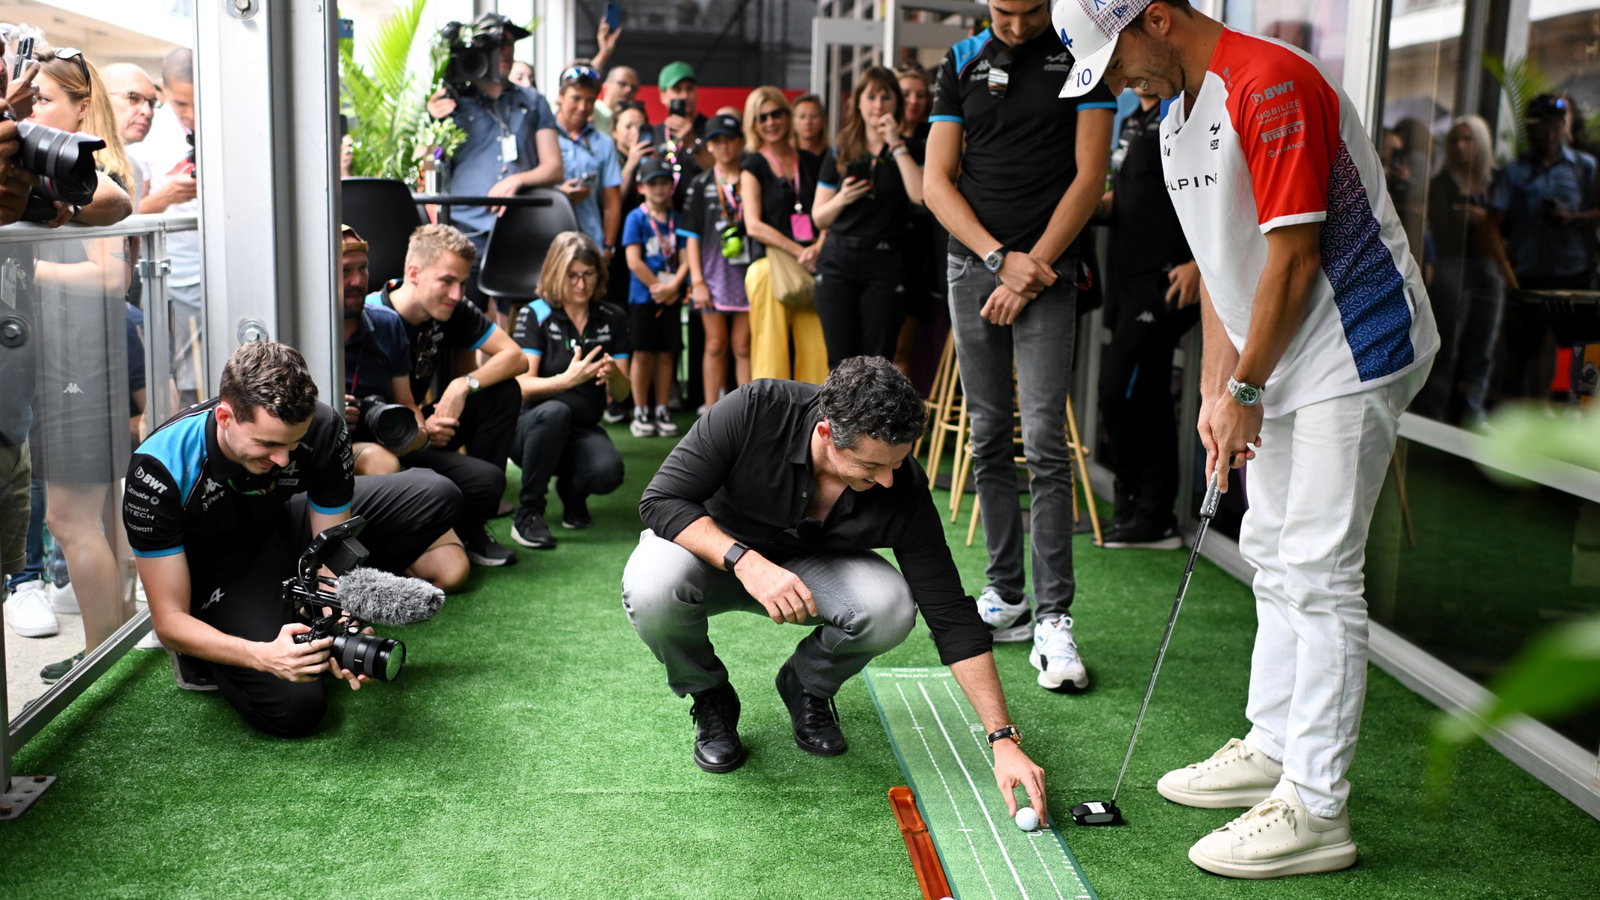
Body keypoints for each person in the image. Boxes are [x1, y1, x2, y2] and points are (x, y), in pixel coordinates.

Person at [1056, 0, 1438, 876]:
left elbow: (1296, 257)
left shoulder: (1271, 84)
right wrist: (1216, 390)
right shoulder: (1171, 121)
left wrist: (1246, 388)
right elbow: (1226, 269)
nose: (1120, 85)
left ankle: (1317, 808)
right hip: (1281, 355)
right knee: (1269, 548)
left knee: (1319, 571)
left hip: (1356, 344)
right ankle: (1273, 746)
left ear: (1156, 18)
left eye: (1116, 62)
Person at [621, 358, 1049, 817]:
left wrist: (1002, 739)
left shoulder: (900, 483)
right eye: (872, 465)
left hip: (809, 569)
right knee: (651, 588)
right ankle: (710, 697)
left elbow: (950, 613)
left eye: (897, 462)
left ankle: (806, 683)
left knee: (890, 607)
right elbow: (661, 499)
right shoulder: (755, 408)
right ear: (826, 433)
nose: (887, 479)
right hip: (715, 553)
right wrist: (745, 561)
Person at [124, 342, 461, 738]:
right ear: (225, 417)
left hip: (282, 523)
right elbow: (169, 621)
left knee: (436, 494)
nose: (283, 459)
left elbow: (331, 545)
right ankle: (214, 650)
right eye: (267, 445)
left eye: (292, 443)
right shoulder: (158, 469)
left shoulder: (322, 425)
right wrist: (262, 656)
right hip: (219, 571)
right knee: (296, 709)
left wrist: (336, 618)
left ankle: (296, 608)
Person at [924, 0, 1115, 692]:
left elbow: (1090, 177)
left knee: (1044, 442)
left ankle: (1054, 616)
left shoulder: (1084, 53)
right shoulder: (962, 58)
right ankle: (1005, 596)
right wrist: (998, 259)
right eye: (1002, 11)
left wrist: (1031, 268)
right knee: (987, 435)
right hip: (976, 263)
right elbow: (935, 181)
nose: (1014, 23)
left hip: (1049, 268)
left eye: (1029, 10)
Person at [26, 46, 138, 683]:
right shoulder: (75, 172)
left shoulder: (93, 175)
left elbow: (112, 277)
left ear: (82, 107)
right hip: (78, 360)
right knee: (95, 517)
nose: (31, 111)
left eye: (43, 100)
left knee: (68, 519)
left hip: (81, 363)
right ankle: (109, 646)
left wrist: (28, 270)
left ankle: (98, 661)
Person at [366, 223, 527, 567]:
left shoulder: (452, 308)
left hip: (423, 425)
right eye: (447, 281)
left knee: (501, 391)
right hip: (380, 446)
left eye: (463, 283)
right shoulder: (372, 317)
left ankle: (473, 527)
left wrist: (461, 385)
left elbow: (516, 357)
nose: (457, 294)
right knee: (484, 482)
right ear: (414, 273)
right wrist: (420, 431)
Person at [1095, 85, 1200, 548]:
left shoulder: (1184, 114)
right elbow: (1123, 199)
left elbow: (1215, 193)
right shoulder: (1130, 121)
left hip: (1165, 282)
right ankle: (1139, 513)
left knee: (1120, 393)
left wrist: (1199, 264)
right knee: (1146, 396)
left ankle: (1151, 513)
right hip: (1126, 282)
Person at [425, 13, 563, 328]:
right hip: (466, 228)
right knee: (463, 320)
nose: (503, 52)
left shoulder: (533, 101)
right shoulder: (454, 101)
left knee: (519, 320)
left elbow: (554, 167)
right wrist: (433, 123)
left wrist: (518, 179)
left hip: (519, 226)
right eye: (493, 44)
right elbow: (428, 165)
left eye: (508, 44)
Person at [509, 232, 631, 548]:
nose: (581, 284)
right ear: (556, 274)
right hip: (532, 428)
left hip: (582, 429)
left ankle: (572, 491)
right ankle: (528, 513)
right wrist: (566, 380)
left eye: (588, 274)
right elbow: (521, 386)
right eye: (572, 275)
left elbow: (621, 395)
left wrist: (614, 374)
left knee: (608, 472)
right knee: (555, 411)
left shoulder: (613, 317)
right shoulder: (535, 313)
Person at [811, 66, 924, 368]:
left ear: (896, 103)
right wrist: (843, 198)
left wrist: (896, 144)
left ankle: (873, 405)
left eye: (886, 97)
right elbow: (819, 218)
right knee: (840, 362)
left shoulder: (910, 148)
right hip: (837, 260)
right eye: (871, 97)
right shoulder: (840, 150)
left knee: (878, 362)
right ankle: (840, 404)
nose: (878, 105)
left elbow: (920, 196)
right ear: (857, 102)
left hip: (884, 261)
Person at [1495, 94, 1599, 403]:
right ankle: (1512, 413)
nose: (1551, 132)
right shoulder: (1514, 171)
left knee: (1582, 353)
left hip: (1575, 274)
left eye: (1556, 124)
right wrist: (1507, 273)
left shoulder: (1584, 167)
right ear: (1531, 128)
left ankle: (1579, 411)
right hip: (1529, 276)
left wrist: (1573, 219)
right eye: (1543, 125)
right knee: (1519, 354)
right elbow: (1493, 222)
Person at [1413, 115, 1516, 425]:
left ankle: (1472, 411)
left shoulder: (1496, 182)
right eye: (1455, 140)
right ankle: (1434, 410)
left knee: (1483, 344)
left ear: (1481, 143)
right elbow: (1440, 228)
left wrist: (1481, 220)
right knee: (1446, 342)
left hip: (1488, 266)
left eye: (1467, 139)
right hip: (1451, 264)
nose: (1460, 146)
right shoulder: (1441, 183)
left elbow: (1509, 227)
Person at [130, 48, 203, 405]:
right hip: (169, 276)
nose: (190, 114)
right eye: (181, 104)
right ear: (163, 91)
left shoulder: (221, 122)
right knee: (177, 382)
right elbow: (130, 215)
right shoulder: (148, 137)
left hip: (217, 272)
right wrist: (167, 195)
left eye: (196, 103)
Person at [740, 87, 827, 384]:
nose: (771, 122)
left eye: (776, 113)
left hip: (811, 266)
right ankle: (770, 413)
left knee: (818, 351)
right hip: (770, 266)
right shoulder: (752, 165)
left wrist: (818, 246)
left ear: (787, 116)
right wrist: (799, 251)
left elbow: (827, 212)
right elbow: (753, 225)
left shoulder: (811, 161)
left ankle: (817, 412)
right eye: (762, 117)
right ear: (754, 124)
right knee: (770, 353)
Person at [683, 113, 753, 411]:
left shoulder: (753, 178)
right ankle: (712, 415)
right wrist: (697, 281)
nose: (724, 146)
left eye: (730, 140)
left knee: (743, 346)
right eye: (717, 141)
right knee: (715, 344)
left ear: (741, 142)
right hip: (712, 276)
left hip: (749, 275)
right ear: (708, 146)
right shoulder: (700, 184)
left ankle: (748, 415)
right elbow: (692, 237)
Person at [621, 155, 689, 437]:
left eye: (664, 182)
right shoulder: (635, 218)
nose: (659, 188)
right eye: (653, 183)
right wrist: (658, 287)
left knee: (666, 354)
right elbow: (633, 261)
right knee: (642, 353)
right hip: (643, 298)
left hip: (671, 297)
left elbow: (686, 258)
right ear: (641, 188)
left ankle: (662, 408)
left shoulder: (678, 218)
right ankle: (641, 410)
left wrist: (673, 287)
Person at [552, 64, 623, 261]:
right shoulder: (542, 135)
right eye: (576, 98)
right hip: (548, 241)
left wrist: (607, 247)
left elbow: (612, 201)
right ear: (561, 96)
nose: (583, 107)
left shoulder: (604, 143)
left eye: (590, 100)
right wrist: (558, 195)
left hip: (590, 243)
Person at [100, 63, 160, 207]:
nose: (147, 112)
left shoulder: (134, 169)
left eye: (152, 103)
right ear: (100, 98)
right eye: (133, 98)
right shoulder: (73, 157)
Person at [594, 65, 639, 138]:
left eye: (634, 88)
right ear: (606, 86)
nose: (628, 90)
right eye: (622, 84)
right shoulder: (591, 110)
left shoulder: (635, 122)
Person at [791, 93, 829, 178]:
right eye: (802, 117)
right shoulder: (787, 157)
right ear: (793, 122)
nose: (808, 122)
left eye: (814, 116)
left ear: (822, 120)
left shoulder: (832, 157)